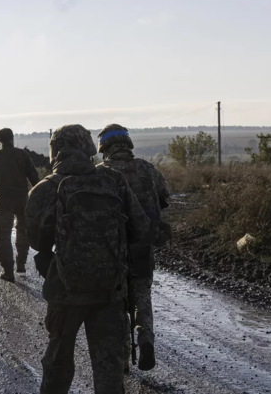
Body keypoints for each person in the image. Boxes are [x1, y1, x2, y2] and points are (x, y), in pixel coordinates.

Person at [25, 124, 150, 394]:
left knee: (59, 359)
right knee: (108, 367)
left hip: (66, 291)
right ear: (89, 148)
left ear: (55, 150)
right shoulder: (113, 181)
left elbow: (36, 241)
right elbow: (140, 228)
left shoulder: (45, 189)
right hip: (110, 290)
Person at [96, 124, 171, 371]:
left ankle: (122, 356)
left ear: (104, 148)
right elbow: (164, 199)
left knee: (117, 301)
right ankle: (145, 336)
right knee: (142, 296)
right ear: (128, 145)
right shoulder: (148, 169)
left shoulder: (100, 173)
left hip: (112, 251)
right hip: (143, 246)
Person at [0, 128, 40, 282]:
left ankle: (8, 271)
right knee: (23, 231)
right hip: (23, 199)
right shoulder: (23, 155)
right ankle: (21, 263)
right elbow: (34, 179)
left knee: (3, 235)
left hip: (4, 201)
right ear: (12, 138)